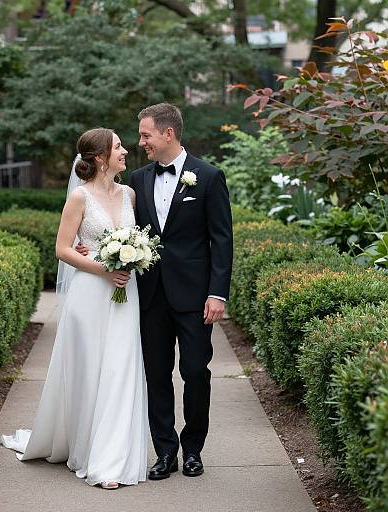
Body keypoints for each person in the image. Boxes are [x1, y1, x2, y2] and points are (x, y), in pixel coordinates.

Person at [1, 128, 148, 490]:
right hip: (90, 295)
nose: (125, 150)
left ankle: (112, 457)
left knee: (122, 368)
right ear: (100, 157)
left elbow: (138, 239)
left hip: (126, 295)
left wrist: (132, 260)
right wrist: (103, 267)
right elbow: (63, 249)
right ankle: (85, 448)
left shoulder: (129, 194)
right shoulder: (79, 198)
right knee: (90, 371)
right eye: (118, 147)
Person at [131, 103, 233, 480]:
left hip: (194, 298)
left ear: (168, 133)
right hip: (150, 295)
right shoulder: (138, 181)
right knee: (156, 375)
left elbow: (221, 240)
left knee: (195, 372)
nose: (141, 142)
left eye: (146, 135)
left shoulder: (208, 176)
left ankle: (193, 450)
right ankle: (165, 451)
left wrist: (217, 294)